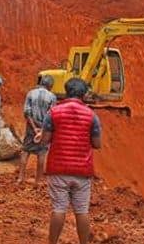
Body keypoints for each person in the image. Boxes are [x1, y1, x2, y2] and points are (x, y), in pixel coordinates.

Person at [40, 78, 101, 244]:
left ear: (66, 91)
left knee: (59, 209)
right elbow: (97, 144)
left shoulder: (53, 112)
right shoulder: (92, 116)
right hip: (82, 169)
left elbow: (45, 140)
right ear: (84, 94)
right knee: (82, 211)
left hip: (58, 168)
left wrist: (44, 135)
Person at [17, 75, 58, 185]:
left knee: (26, 150)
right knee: (42, 152)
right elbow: (51, 115)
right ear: (50, 85)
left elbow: (27, 112)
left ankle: (20, 178)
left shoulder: (31, 93)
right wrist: (42, 129)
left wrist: (34, 128)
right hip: (45, 128)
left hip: (31, 126)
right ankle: (38, 180)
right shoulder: (52, 97)